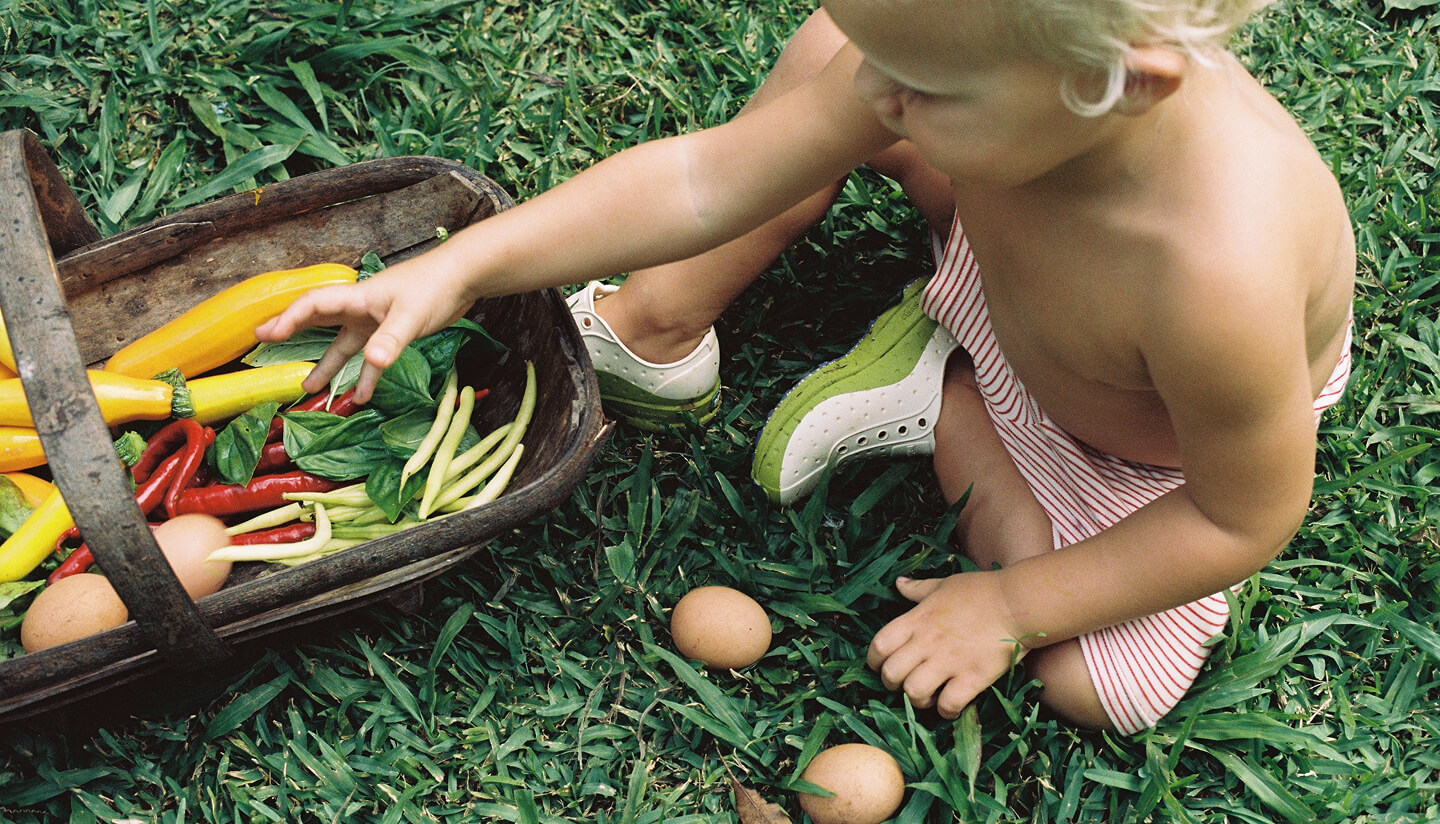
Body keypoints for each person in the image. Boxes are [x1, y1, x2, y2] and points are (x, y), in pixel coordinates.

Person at [258, 0, 1356, 734]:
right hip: (1005, 264)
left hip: (1125, 447)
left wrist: (1017, 603)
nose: (885, 98)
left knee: (1093, 687)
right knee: (824, 52)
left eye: (928, 84)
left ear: (1125, 86)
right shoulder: (991, 82)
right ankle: (658, 324)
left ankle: (949, 400)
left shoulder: (1218, 278)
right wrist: (465, 265)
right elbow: (704, 179)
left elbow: (1238, 520)